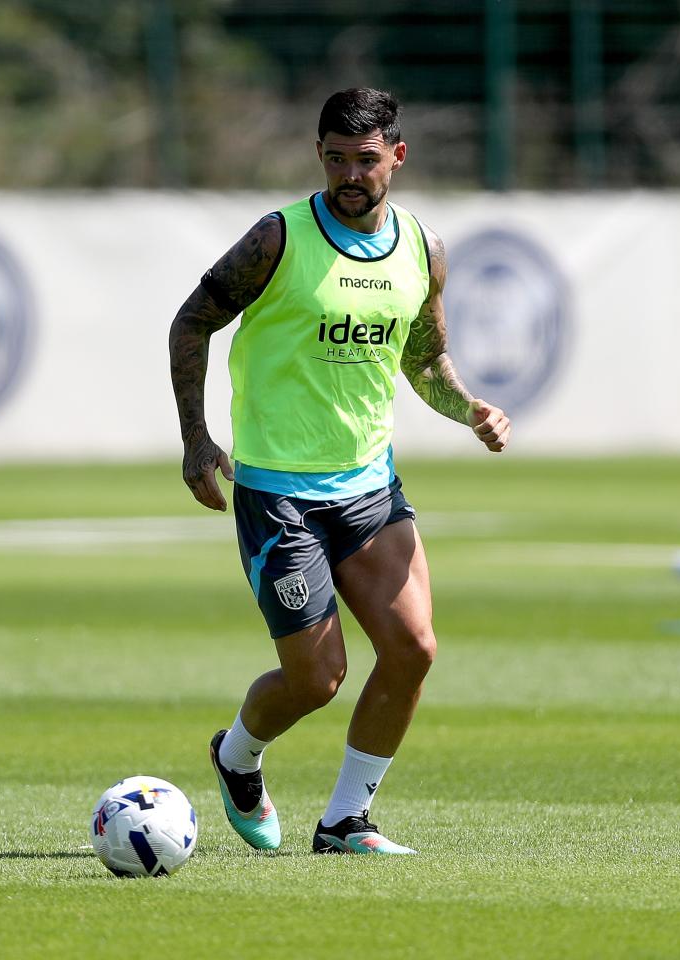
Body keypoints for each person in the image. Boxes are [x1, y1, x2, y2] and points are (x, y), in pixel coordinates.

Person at [168, 87, 511, 855]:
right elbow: (192, 321)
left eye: (364, 160)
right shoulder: (278, 239)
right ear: (318, 156)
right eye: (334, 160)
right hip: (280, 496)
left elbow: (423, 361)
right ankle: (237, 756)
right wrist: (197, 439)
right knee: (317, 681)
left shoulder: (424, 248)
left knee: (414, 650)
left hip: (368, 489)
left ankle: (345, 821)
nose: (349, 176)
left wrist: (471, 410)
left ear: (397, 153)